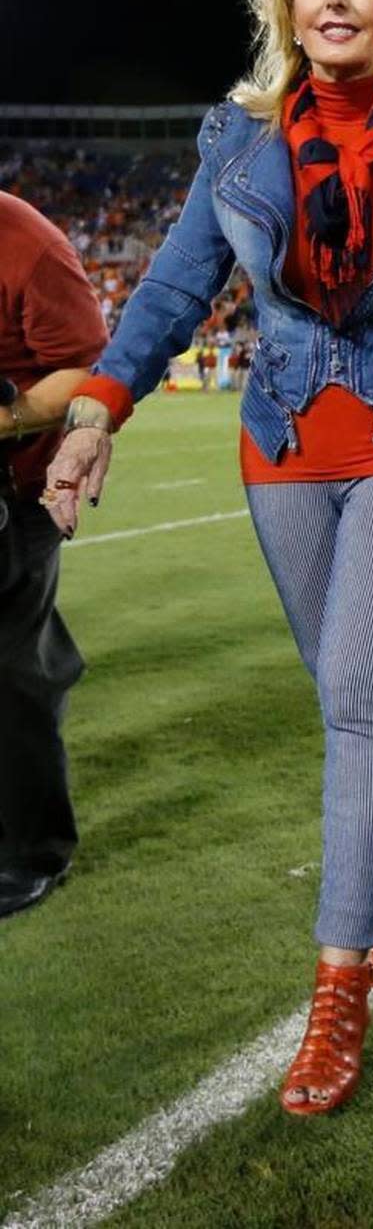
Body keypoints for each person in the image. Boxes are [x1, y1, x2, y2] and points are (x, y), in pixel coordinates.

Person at [43, 0, 373, 1115]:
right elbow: (171, 289)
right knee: (351, 699)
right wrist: (96, 413)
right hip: (285, 439)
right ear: (287, 7)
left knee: (360, 702)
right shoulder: (238, 140)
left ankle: (337, 991)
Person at [0, 192, 108, 919]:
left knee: (10, 671)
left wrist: (6, 415)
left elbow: (87, 370)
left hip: (13, 482)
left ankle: (33, 849)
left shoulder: (26, 242)